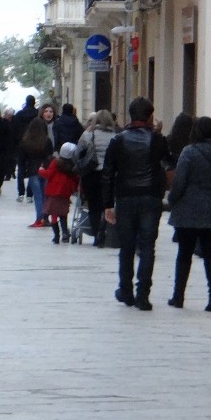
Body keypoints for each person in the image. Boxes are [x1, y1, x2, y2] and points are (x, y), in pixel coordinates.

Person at [102, 97, 173, 311]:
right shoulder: (158, 140)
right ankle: (143, 294)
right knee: (148, 246)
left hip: (125, 197)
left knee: (127, 246)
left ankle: (125, 289)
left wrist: (108, 204)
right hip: (150, 197)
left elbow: (108, 174)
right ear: (150, 116)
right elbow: (169, 164)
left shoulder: (118, 140)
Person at [166, 116, 211, 312]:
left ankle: (178, 296)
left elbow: (180, 181)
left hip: (189, 208)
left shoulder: (189, 152)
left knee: (184, 252)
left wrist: (172, 199)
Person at [76, 109, 117, 245]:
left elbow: (78, 153)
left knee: (93, 206)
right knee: (106, 205)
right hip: (108, 175)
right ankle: (103, 230)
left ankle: (96, 234)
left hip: (91, 174)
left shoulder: (88, 134)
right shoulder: (115, 136)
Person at [39, 141, 81, 244]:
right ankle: (65, 233)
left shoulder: (56, 163)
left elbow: (48, 174)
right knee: (63, 214)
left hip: (53, 192)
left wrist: (40, 170)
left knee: (54, 214)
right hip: (65, 193)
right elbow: (76, 180)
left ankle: (56, 236)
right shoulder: (73, 166)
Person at [18, 116, 53, 228]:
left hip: (32, 171)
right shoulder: (47, 141)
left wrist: (23, 173)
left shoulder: (25, 141)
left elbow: (22, 160)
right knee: (45, 195)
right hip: (45, 170)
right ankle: (45, 218)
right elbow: (50, 156)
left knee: (38, 196)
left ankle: (39, 218)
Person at [11, 95, 38, 201]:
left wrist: (15, 145)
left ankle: (21, 193)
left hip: (21, 144)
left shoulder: (19, 114)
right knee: (33, 168)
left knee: (21, 168)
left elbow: (14, 131)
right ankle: (30, 194)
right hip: (34, 143)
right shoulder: (37, 114)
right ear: (34, 102)